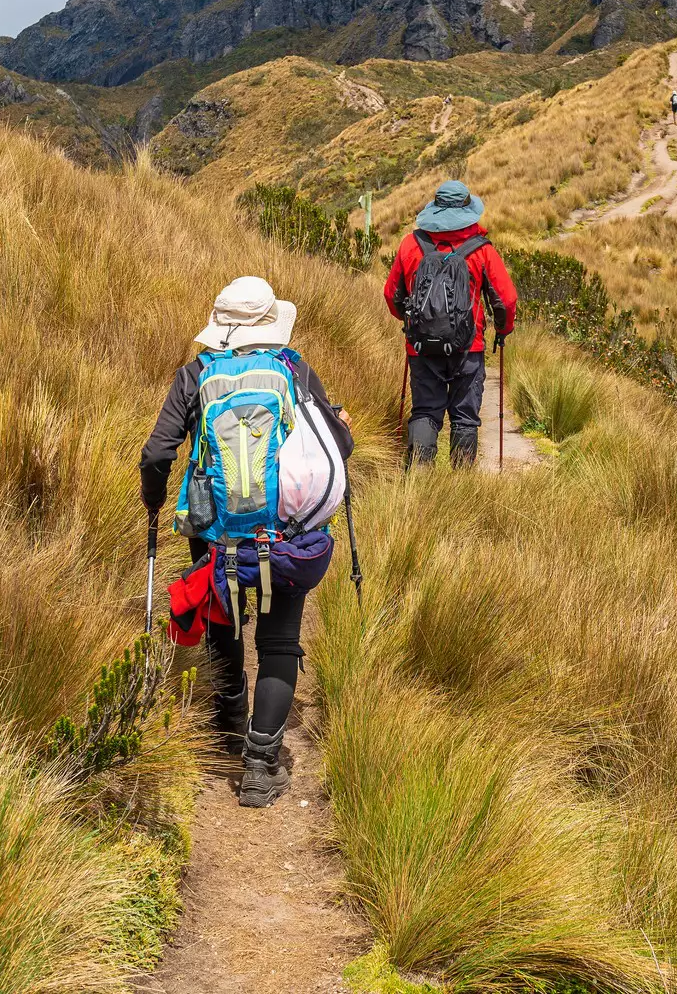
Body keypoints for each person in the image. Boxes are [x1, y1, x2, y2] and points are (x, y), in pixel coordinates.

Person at [140, 275, 353, 807]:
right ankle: (261, 766)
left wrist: (153, 499)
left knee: (224, 623)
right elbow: (337, 446)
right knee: (279, 641)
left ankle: (230, 720)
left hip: (213, 530)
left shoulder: (195, 375)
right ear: (268, 326)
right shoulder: (294, 370)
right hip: (283, 532)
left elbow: (157, 453)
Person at [383, 179, 519, 468]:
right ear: (467, 211)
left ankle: (418, 482)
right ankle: (460, 487)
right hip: (469, 347)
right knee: (465, 417)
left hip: (421, 347)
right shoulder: (482, 250)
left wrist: (410, 323)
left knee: (425, 412)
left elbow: (392, 294)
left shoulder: (411, 244)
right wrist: (503, 330)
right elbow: (505, 300)